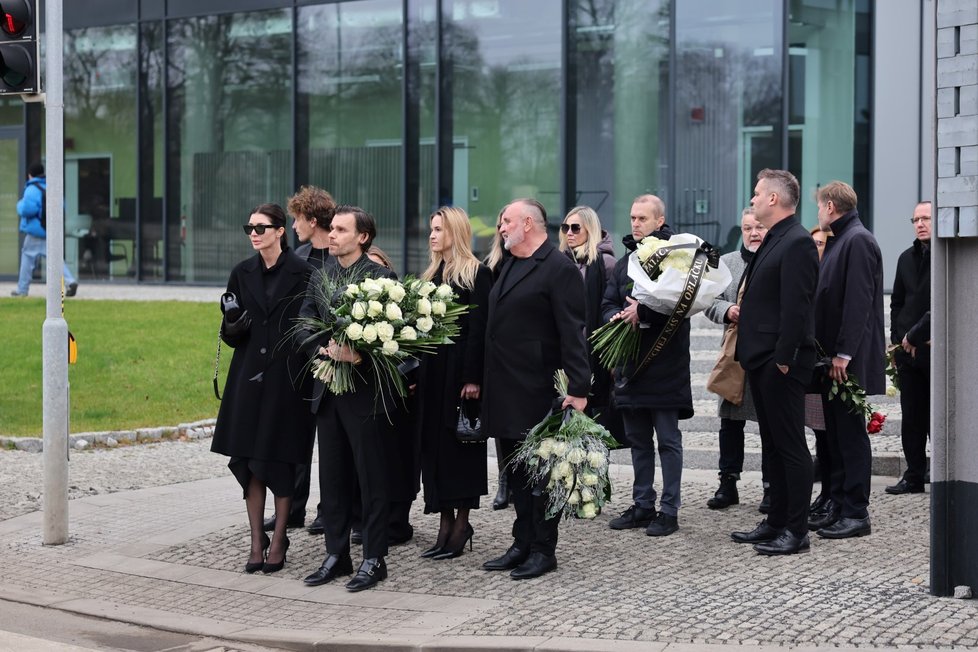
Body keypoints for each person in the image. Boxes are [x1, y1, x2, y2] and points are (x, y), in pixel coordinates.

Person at [481, 198, 590, 580]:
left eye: (506, 221)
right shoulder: (509, 262)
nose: (501, 227)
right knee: (516, 473)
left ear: (528, 223)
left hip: (539, 389)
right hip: (505, 385)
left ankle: (544, 550)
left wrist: (579, 388)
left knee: (542, 475)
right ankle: (521, 542)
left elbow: (573, 331)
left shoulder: (558, 268)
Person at [210, 203, 315, 574]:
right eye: (249, 228)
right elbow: (230, 333)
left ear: (280, 231)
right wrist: (232, 325)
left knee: (280, 459)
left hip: (288, 378)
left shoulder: (305, 273)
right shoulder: (241, 272)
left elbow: (312, 325)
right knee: (247, 460)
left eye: (260, 228)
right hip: (248, 377)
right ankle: (257, 540)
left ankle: (280, 536)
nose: (253, 234)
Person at [299, 206, 399, 592]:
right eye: (332, 229)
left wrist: (359, 355)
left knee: (371, 479)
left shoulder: (381, 278)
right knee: (333, 478)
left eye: (341, 230)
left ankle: (374, 558)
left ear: (363, 237)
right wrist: (322, 348)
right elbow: (303, 323)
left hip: (366, 393)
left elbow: (395, 336)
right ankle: (336, 554)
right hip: (328, 390)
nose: (332, 235)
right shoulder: (320, 274)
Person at [731, 169, 818, 556]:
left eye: (757, 193)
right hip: (760, 358)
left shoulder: (797, 241)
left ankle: (797, 531)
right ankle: (776, 521)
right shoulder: (774, 238)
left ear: (773, 199)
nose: (752, 199)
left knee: (791, 446)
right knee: (773, 446)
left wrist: (784, 358)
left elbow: (798, 306)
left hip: (779, 362)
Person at [601, 194, 693, 537]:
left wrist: (643, 312)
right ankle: (642, 504)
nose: (636, 223)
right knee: (638, 441)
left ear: (659, 220)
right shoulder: (625, 262)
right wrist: (617, 316)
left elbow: (681, 307)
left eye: (642, 218)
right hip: (631, 366)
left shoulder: (677, 258)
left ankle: (669, 510)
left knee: (668, 441)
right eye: (633, 218)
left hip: (665, 365)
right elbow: (607, 303)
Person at [416, 206, 492, 560]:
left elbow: (479, 329)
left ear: (456, 232)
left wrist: (472, 377)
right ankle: (443, 522)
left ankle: (461, 524)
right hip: (432, 374)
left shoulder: (477, 273)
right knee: (434, 449)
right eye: (431, 229)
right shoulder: (431, 275)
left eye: (439, 229)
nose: (432, 235)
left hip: (459, 376)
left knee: (459, 448)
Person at [812, 180, 885, 540]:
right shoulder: (843, 238)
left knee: (851, 437)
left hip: (846, 362)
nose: (818, 213)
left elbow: (857, 302)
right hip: (833, 360)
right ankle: (839, 505)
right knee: (836, 437)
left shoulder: (857, 240)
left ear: (830, 206)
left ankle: (856, 512)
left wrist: (843, 353)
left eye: (819, 206)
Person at [263, 185, 336, 537]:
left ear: (312, 220)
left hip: (332, 359)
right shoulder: (296, 258)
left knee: (332, 442)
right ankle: (291, 509)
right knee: (295, 439)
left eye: (297, 219)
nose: (293, 226)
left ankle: (329, 511)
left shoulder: (339, 257)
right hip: (296, 360)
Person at [703, 208, 767, 510]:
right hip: (733, 355)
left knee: (770, 425)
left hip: (766, 354)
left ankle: (771, 486)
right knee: (730, 423)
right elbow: (709, 300)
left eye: (759, 227)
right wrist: (727, 310)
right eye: (747, 228)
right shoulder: (726, 263)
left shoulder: (776, 258)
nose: (754, 233)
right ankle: (727, 483)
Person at [559, 206, 619, 442]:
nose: (569, 233)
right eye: (565, 227)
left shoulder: (606, 263)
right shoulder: (559, 263)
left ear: (590, 230)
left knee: (595, 424)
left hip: (595, 352)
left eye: (576, 228)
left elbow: (611, 307)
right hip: (564, 352)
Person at [885, 201, 931, 495]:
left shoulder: (948, 256)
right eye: (916, 219)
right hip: (907, 352)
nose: (920, 224)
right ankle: (914, 475)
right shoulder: (905, 258)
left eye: (926, 218)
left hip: (934, 348)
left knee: (937, 417)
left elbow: (941, 304)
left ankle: (941, 474)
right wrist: (898, 339)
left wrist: (915, 337)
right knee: (912, 417)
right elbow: (897, 303)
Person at [483, 209, 513, 511]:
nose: (503, 229)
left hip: (520, 351)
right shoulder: (491, 265)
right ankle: (505, 480)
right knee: (501, 422)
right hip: (496, 352)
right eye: (500, 223)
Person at [12, 163, 79, 298]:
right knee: (55, 258)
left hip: (36, 231)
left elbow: (26, 210)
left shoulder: (31, 189)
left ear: (30, 175)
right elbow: (61, 207)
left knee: (27, 258)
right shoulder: (52, 187)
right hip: (51, 230)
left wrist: (19, 204)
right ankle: (70, 281)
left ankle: (22, 290)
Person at [805, 224, 834, 529]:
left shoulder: (831, 275)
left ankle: (832, 493)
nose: (816, 249)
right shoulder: (807, 275)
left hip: (828, 365)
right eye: (813, 243)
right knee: (820, 434)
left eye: (821, 244)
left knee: (831, 437)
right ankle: (825, 493)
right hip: (810, 369)